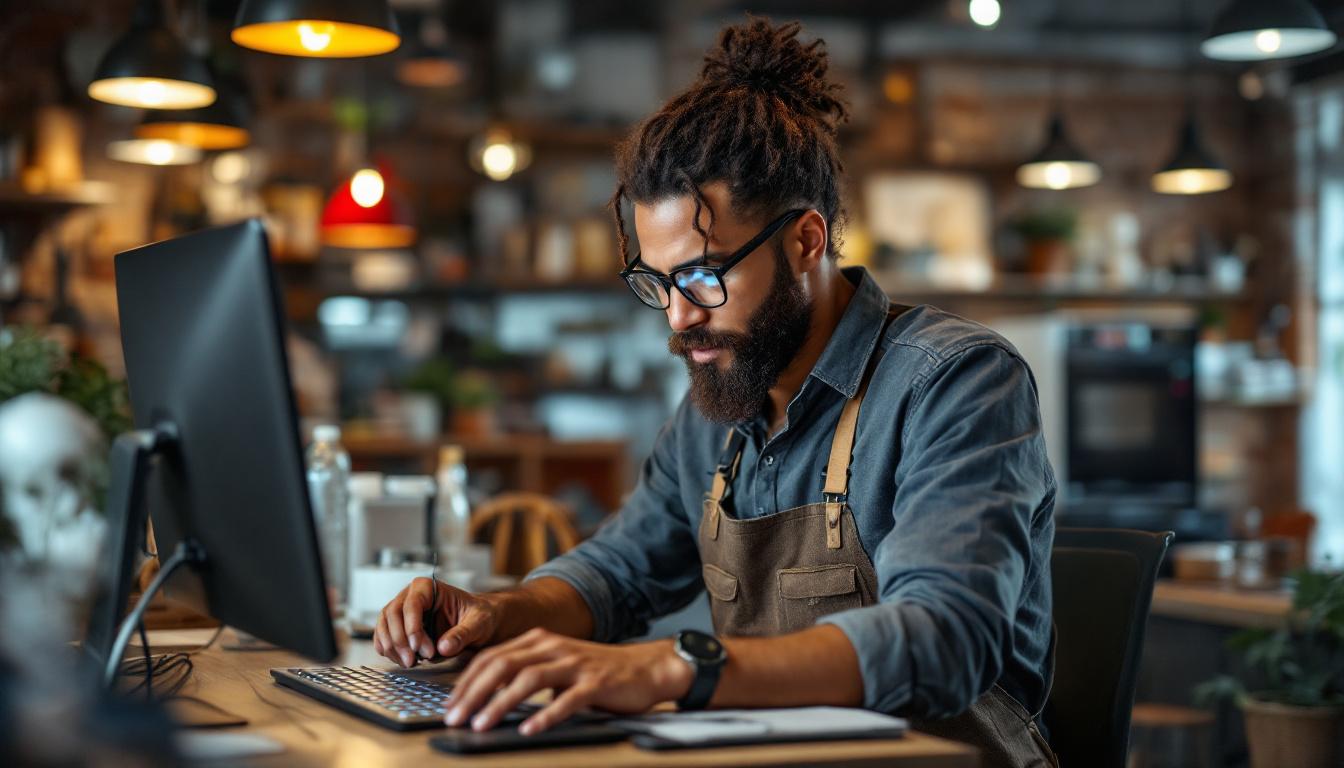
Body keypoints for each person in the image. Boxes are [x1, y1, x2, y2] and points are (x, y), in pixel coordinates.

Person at [375, 17, 1057, 767]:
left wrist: (676, 666)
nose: (678, 315)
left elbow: (945, 637)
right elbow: (618, 572)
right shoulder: (721, 403)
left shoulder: (954, 381)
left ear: (806, 240)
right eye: (657, 282)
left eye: (703, 275)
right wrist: (498, 614)